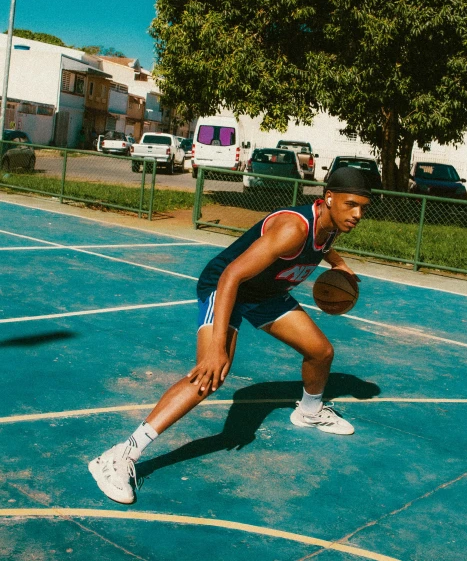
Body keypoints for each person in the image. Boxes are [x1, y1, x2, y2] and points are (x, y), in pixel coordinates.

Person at [88, 166, 372, 503]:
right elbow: (231, 276)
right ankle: (120, 455)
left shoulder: (331, 224)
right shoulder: (293, 229)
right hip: (226, 288)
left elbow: (321, 246)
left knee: (321, 352)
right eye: (350, 205)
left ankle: (309, 411)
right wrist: (216, 349)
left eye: (362, 208)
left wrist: (338, 265)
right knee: (209, 375)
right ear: (328, 198)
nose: (356, 215)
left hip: (265, 293)